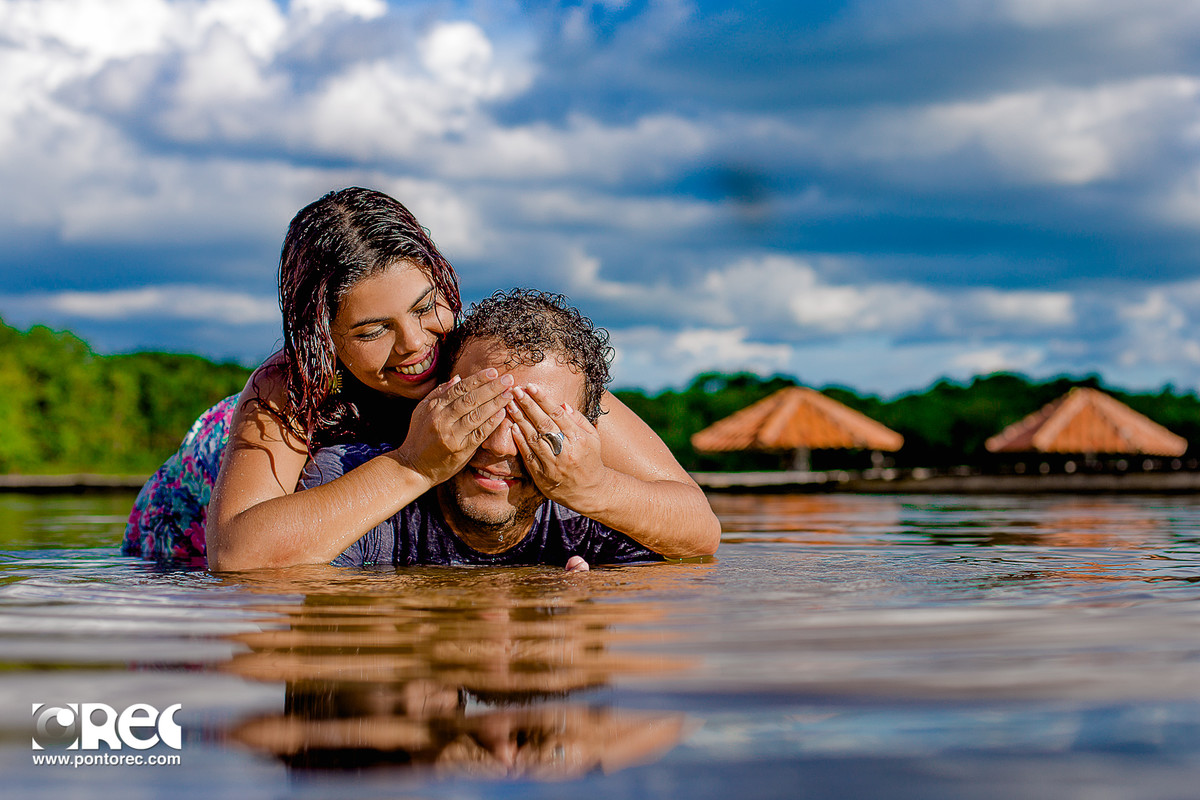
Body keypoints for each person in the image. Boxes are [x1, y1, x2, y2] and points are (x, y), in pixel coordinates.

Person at [123, 187, 720, 569]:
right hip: (194, 501)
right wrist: (416, 464)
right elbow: (237, 553)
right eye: (371, 331)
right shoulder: (291, 387)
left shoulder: (484, 359)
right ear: (324, 339)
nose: (415, 345)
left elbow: (698, 527)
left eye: (426, 306)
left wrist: (590, 489)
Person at [300, 289, 677, 570]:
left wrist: (591, 621)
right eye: (479, 410)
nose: (499, 445)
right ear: (435, 398)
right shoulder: (348, 480)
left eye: (534, 422)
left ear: (584, 433)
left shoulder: (598, 519)